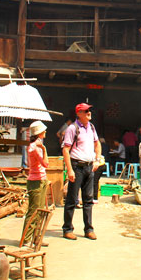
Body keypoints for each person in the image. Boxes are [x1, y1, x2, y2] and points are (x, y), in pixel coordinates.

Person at [62, 103, 102, 240]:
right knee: (72, 199)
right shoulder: (72, 128)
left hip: (89, 167)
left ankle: (89, 229)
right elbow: (65, 150)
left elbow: (97, 144)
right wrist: (70, 170)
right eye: (86, 111)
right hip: (77, 167)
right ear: (79, 113)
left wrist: (97, 159)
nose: (89, 113)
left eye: (90, 110)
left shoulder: (91, 127)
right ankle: (67, 229)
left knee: (88, 200)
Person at [22, 121, 49, 244]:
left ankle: (36, 238)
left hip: (41, 179)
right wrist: (44, 149)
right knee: (33, 211)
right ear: (39, 133)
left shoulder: (35, 145)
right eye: (44, 131)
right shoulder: (36, 147)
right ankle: (26, 239)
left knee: (40, 210)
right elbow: (46, 164)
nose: (45, 132)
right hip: (36, 181)